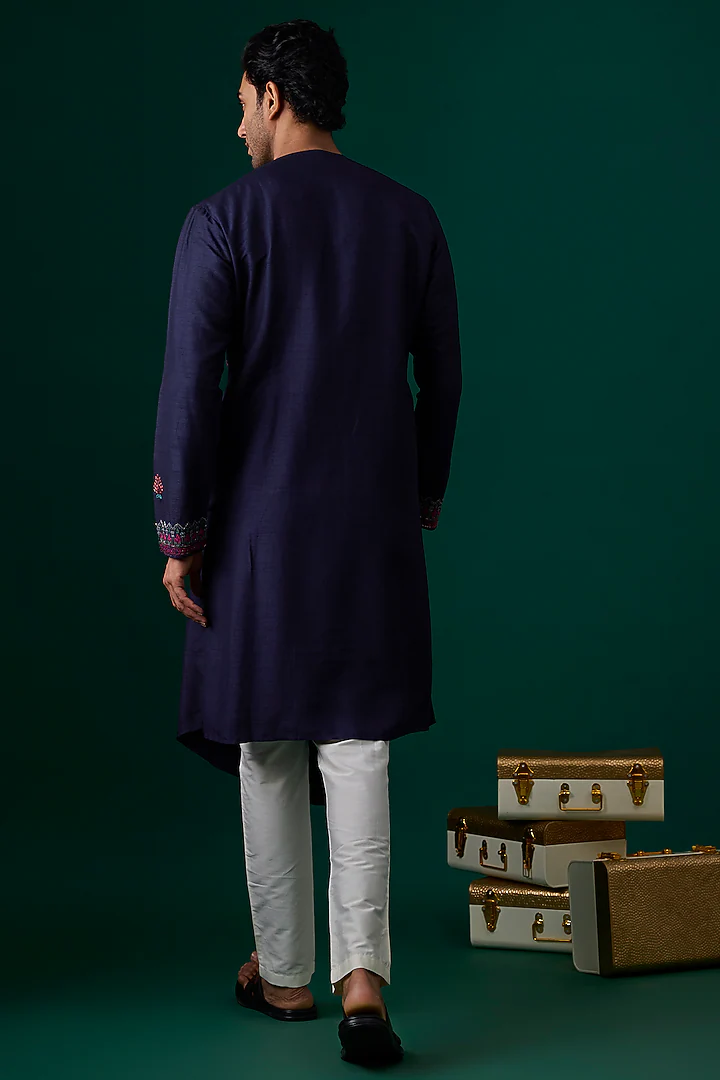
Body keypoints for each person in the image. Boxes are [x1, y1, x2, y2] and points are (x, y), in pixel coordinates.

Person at [152, 17, 462, 1065]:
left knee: (267, 739)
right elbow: (443, 374)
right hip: (373, 521)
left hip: (258, 526)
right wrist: (423, 489)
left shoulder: (221, 220)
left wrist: (182, 534)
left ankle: (285, 976)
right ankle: (363, 980)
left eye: (243, 103)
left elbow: (190, 390)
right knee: (357, 738)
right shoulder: (409, 217)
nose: (237, 122)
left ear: (274, 96)